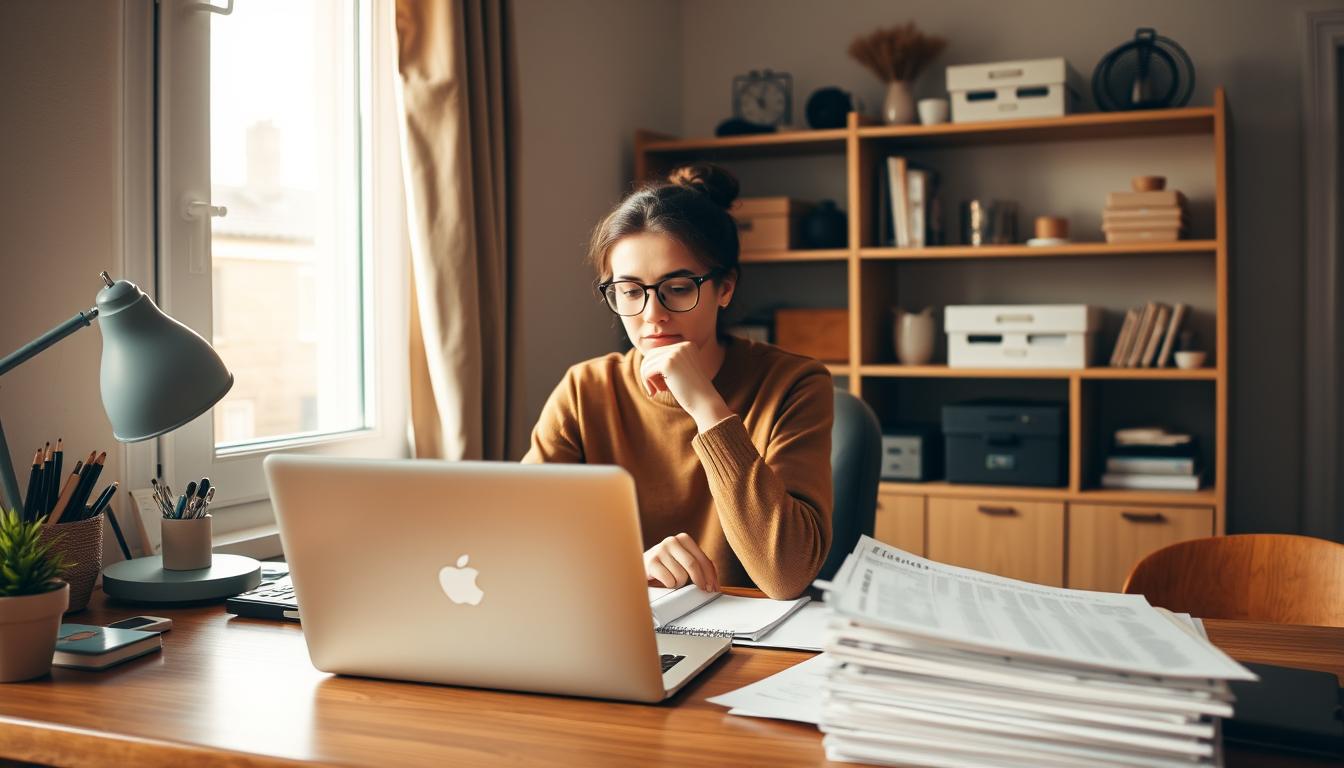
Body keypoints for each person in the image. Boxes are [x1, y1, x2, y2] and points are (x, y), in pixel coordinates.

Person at [522, 163, 833, 599]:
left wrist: (708, 408)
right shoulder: (584, 389)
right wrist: (626, 568)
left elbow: (786, 574)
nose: (652, 314)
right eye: (630, 291)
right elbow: (523, 543)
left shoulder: (795, 385)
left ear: (724, 288)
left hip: (749, 645)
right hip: (621, 626)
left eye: (679, 287)